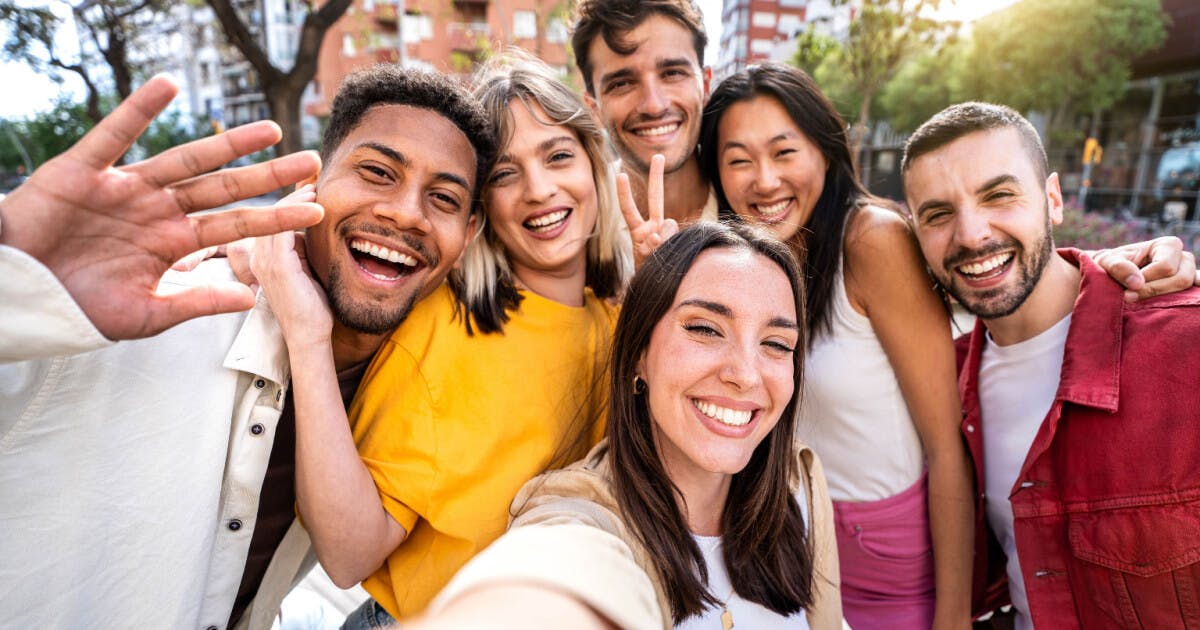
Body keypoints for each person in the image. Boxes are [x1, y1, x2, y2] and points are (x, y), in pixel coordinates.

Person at [0, 65, 496, 630]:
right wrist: (12, 265)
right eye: (378, 172)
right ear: (310, 188)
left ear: (468, 236)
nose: (407, 212)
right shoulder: (133, 319)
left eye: (444, 199)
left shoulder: (412, 388)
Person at [250, 52, 633, 627]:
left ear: (593, 166)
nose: (539, 189)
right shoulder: (445, 326)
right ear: (481, 215)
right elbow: (349, 552)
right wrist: (304, 333)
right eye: (506, 173)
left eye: (558, 156)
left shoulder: (615, 320)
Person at [404, 221, 844, 630]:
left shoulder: (798, 479)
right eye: (706, 329)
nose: (746, 374)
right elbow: (549, 578)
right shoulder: (580, 515)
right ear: (639, 354)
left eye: (775, 343)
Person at [902, 101, 1200, 629]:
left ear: (1053, 199)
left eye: (999, 195)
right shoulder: (940, 383)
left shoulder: (1183, 344)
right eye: (938, 213)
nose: (971, 235)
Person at [698, 62, 971, 629]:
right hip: (788, 550)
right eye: (739, 160)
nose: (765, 180)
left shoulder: (871, 241)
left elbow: (947, 448)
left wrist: (954, 618)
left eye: (784, 152)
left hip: (888, 560)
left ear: (825, 150)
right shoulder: (745, 265)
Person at [571, 0, 717, 225]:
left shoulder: (753, 206)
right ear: (593, 108)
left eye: (672, 73)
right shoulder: (576, 223)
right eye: (621, 84)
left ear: (705, 87)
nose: (654, 106)